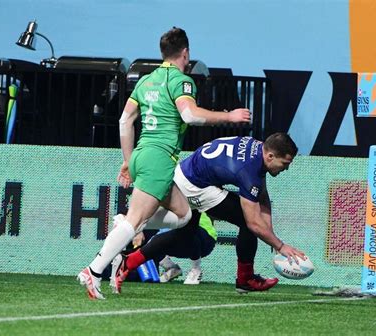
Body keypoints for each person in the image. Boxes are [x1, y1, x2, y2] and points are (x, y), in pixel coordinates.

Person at [77, 27, 250, 300]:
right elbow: (190, 116)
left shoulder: (146, 81)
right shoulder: (181, 81)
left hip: (144, 155)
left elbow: (124, 121)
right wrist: (229, 117)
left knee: (184, 216)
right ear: (186, 53)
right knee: (137, 220)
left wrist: (128, 159)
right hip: (158, 158)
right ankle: (93, 270)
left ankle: (126, 225)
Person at [114, 133, 306, 294]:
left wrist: (269, 231)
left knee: (184, 234)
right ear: (270, 156)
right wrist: (280, 246)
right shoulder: (249, 170)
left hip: (187, 171)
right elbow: (254, 223)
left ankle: (128, 262)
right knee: (248, 222)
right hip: (195, 185)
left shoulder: (259, 149)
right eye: (285, 163)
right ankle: (245, 279)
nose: (286, 169)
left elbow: (261, 195)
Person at [109, 211, 216, 292]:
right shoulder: (156, 198)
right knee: (153, 242)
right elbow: (143, 213)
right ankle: (172, 268)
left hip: (205, 238)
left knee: (188, 232)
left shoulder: (181, 195)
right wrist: (135, 229)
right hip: (179, 239)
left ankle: (196, 270)